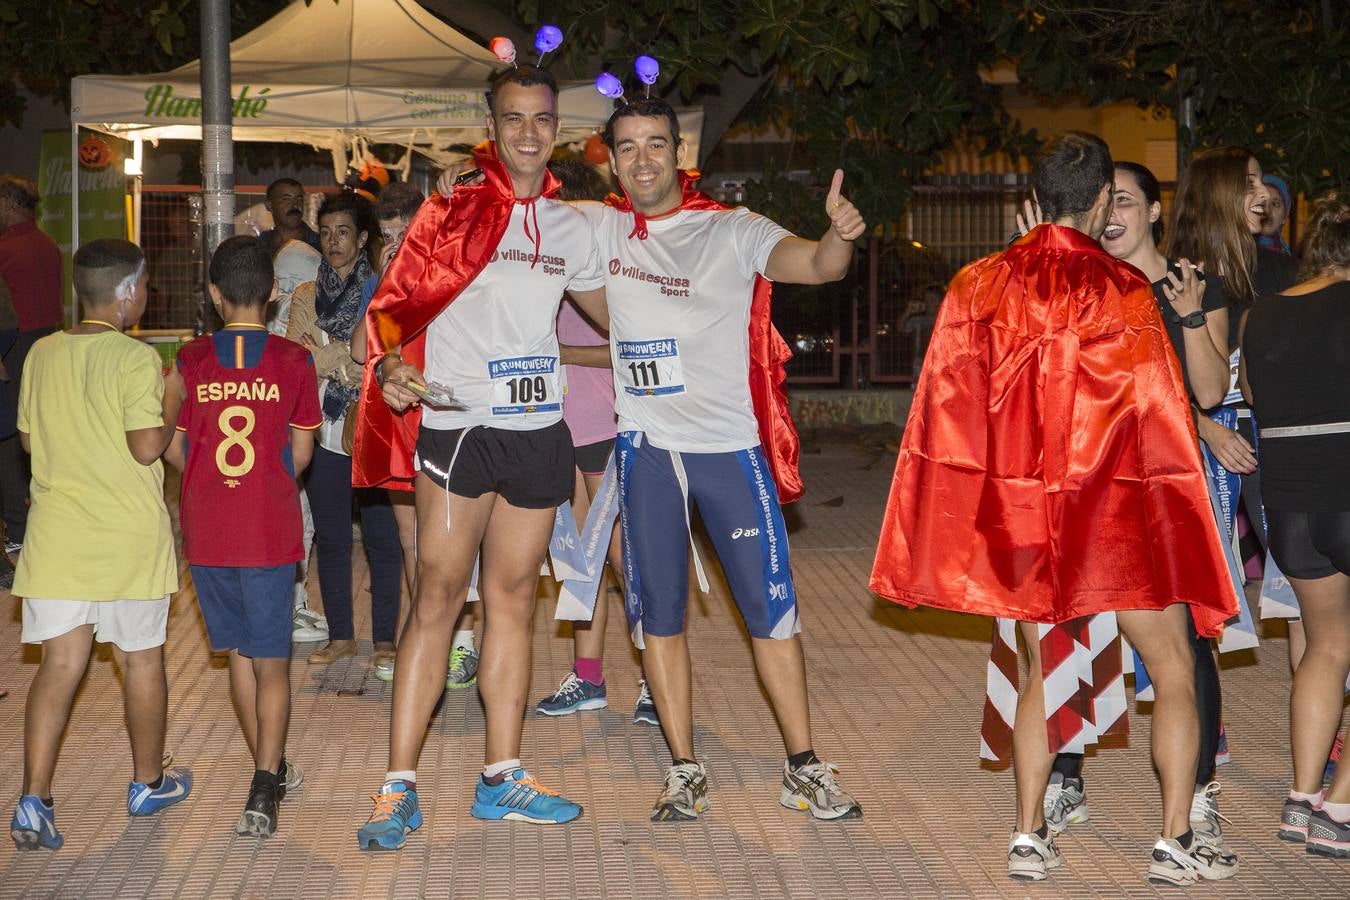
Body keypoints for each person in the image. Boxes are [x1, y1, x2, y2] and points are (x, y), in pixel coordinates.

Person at [872, 133, 1239, 885]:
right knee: (1172, 664)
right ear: (1104, 199)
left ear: (1031, 201)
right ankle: (1173, 839)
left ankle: (1029, 833)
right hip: (1114, 515)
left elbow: (947, 410)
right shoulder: (1127, 290)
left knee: (1041, 667)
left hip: (1028, 512)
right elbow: (1159, 417)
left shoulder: (976, 284)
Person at [580, 97, 864, 823]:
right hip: (648, 457)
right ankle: (683, 768)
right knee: (660, 619)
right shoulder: (601, 231)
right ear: (611, 160)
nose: (642, 158)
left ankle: (802, 765)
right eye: (628, 147)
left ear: (679, 152)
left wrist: (840, 238)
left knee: (772, 614)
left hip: (728, 456)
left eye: (655, 144)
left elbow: (817, 266)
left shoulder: (731, 230)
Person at [352, 63, 608, 847]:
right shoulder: (451, 212)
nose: (529, 132)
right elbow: (391, 314)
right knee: (437, 595)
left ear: (556, 126)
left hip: (538, 434)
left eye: (541, 119)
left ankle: (503, 775)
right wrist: (391, 369)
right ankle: (397, 787)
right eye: (514, 118)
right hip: (460, 428)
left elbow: (615, 313)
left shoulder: (574, 226)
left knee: (510, 602)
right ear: (492, 125)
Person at [8, 239, 191, 849]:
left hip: (58, 537)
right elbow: (147, 447)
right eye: (143, 287)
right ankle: (147, 782)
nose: (146, 296)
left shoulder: (41, 352)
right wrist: (172, 396)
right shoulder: (137, 359)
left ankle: (35, 798)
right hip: (125, 540)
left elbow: (30, 443)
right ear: (125, 294)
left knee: (60, 666)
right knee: (140, 661)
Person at [166, 236, 321, 836]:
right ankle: (265, 781)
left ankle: (271, 768)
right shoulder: (292, 360)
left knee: (237, 652)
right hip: (267, 527)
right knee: (273, 661)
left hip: (207, 530)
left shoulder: (192, 360)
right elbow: (302, 452)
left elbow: (176, 446)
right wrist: (271, 476)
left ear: (213, 294)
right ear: (275, 292)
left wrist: (206, 471)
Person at [1240, 191, 1350, 858]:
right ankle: (1340, 807)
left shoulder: (1265, 312)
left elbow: (1252, 393)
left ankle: (1302, 796)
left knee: (1327, 647)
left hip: (1289, 504)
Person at [534, 154, 656, 726]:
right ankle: (589, 681)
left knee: (627, 560)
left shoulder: (607, 266)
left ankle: (659, 682)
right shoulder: (549, 264)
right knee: (577, 561)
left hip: (606, 425)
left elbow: (629, 344)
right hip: (559, 427)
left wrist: (558, 353)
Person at [350, 181, 481, 688]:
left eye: (407, 231)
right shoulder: (384, 280)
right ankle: (429, 635)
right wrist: (387, 280)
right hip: (400, 417)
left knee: (454, 538)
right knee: (411, 541)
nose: (398, 241)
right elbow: (364, 351)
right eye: (388, 234)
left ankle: (462, 642)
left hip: (447, 416)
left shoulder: (451, 273)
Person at [287, 193, 403, 670]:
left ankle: (384, 641)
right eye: (327, 232)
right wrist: (342, 360)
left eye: (344, 232)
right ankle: (340, 636)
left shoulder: (382, 290)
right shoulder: (305, 296)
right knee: (331, 537)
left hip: (371, 425)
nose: (334, 242)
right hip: (320, 429)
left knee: (383, 538)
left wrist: (329, 355)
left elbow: (375, 359)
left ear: (360, 239)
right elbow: (297, 361)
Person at [0, 175, 63, 560]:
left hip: (13, 347)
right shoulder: (45, 243)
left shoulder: (6, 247)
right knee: (38, 431)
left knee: (8, 438)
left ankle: (17, 528)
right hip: (45, 343)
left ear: (8, 202)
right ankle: (37, 519)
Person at [268, 236, 327, 643]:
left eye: (298, 281)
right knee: (295, 523)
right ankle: (289, 608)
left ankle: (289, 604)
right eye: (282, 281)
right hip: (286, 439)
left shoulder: (283, 312)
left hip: (284, 436)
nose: (289, 291)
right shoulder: (292, 316)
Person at [259, 178, 320, 256]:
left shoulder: (319, 246)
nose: (295, 205)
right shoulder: (259, 246)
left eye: (299, 199)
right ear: (269, 206)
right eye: (286, 199)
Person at [1258, 174, 1293, 255]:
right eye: (1261, 202)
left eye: (1275, 204)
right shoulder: (1236, 253)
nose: (1266, 210)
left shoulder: (1285, 258)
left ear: (1284, 217)